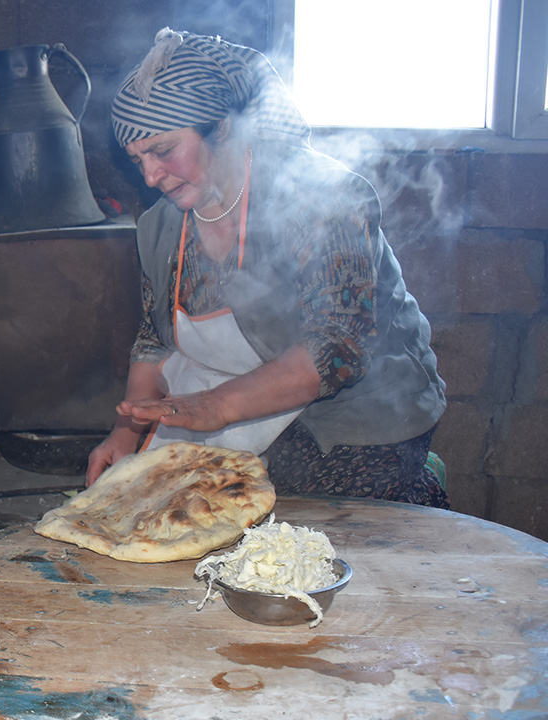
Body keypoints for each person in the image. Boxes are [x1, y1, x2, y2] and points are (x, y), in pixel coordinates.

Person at [86, 29, 449, 508]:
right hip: (232, 410)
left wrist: (213, 407)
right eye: (138, 161)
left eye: (163, 150)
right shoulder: (160, 226)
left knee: (296, 524)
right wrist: (126, 430)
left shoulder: (324, 200)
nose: (151, 176)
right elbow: (155, 338)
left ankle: (420, 492)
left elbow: (337, 348)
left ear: (223, 127)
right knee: (173, 508)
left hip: (355, 416)